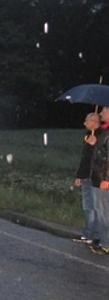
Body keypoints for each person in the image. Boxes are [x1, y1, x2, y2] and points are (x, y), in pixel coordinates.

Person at [73, 113, 101, 244]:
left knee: (92, 207)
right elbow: (84, 159)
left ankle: (92, 234)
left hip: (93, 176)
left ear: (94, 122)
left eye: (88, 121)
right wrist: (79, 175)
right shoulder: (89, 135)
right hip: (86, 175)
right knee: (89, 206)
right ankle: (90, 233)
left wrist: (94, 144)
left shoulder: (99, 136)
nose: (85, 123)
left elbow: (94, 159)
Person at [88, 106, 109, 254]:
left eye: (104, 111)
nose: (100, 113)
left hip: (104, 179)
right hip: (98, 177)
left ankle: (106, 244)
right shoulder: (104, 131)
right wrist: (94, 143)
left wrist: (106, 179)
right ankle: (103, 240)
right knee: (101, 211)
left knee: (104, 213)